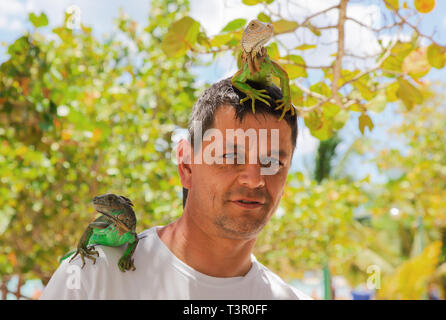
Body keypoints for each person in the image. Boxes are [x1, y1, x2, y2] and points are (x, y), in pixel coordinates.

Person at [40, 78, 311, 299]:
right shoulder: (91, 276)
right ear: (187, 165)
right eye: (229, 156)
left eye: (273, 161)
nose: (254, 179)